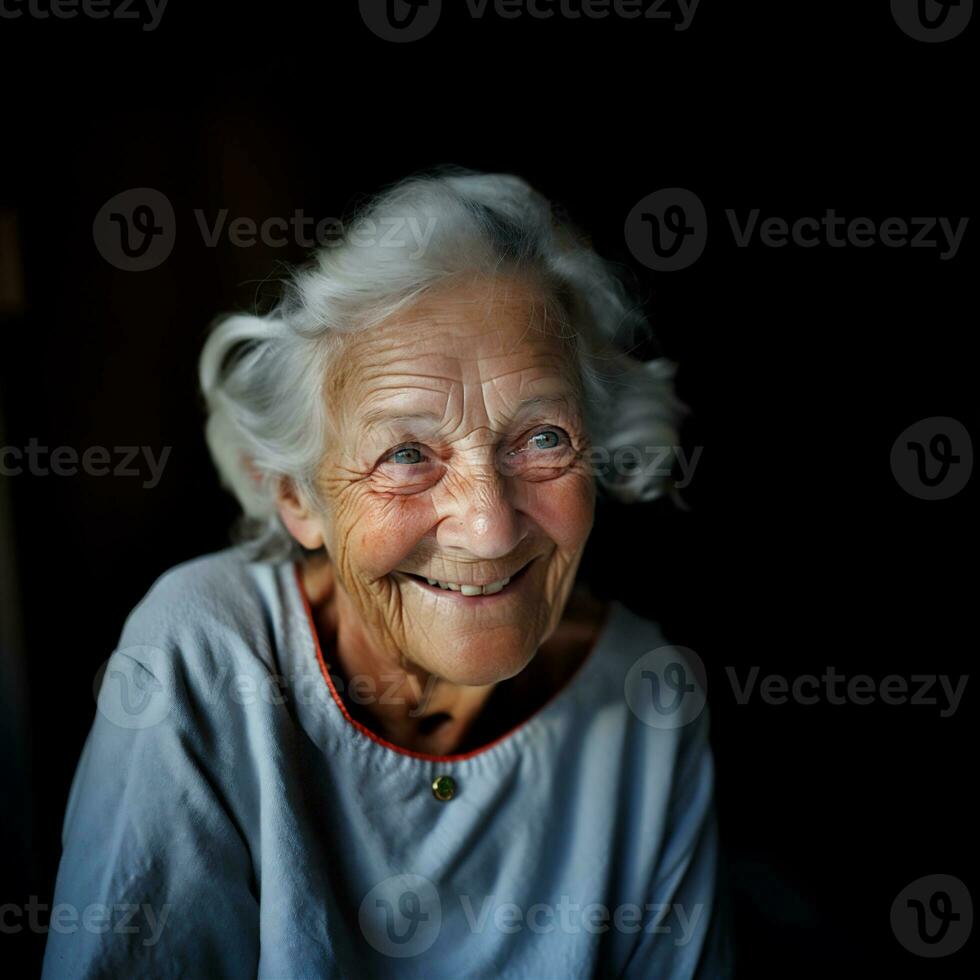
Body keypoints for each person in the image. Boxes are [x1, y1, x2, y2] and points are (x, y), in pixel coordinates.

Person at [43, 168, 732, 978]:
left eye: (542, 438)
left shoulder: (645, 696)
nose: (487, 527)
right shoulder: (203, 652)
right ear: (297, 496)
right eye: (407, 455)